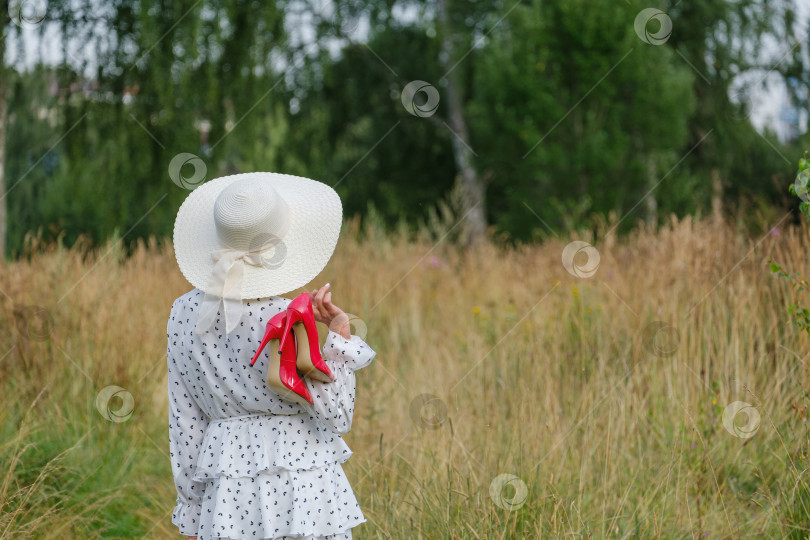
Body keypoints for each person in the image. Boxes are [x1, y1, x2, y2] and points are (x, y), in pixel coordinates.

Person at [167, 173, 375, 540]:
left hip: (225, 492)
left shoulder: (183, 315)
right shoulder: (289, 321)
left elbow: (184, 422)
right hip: (303, 486)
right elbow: (338, 414)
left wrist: (193, 509)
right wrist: (341, 336)